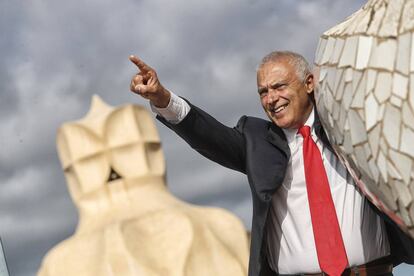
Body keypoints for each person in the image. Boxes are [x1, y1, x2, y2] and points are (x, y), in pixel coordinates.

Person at [128, 51, 414, 276]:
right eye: (263, 92)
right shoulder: (256, 142)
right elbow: (208, 135)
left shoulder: (350, 128)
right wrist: (163, 98)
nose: (271, 98)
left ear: (309, 83)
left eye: (279, 86)